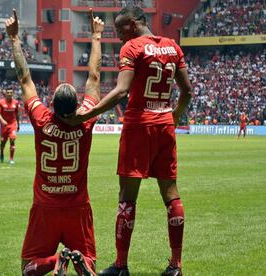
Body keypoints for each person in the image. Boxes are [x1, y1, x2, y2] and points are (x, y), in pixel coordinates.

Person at [65, 5, 192, 276]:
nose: (119, 35)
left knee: (127, 197)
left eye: (120, 29)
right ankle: (176, 265)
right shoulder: (173, 47)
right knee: (171, 194)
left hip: (139, 125)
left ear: (134, 24)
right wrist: (175, 116)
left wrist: (88, 113)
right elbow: (187, 91)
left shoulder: (132, 48)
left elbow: (122, 91)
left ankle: (121, 266)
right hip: (164, 124)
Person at [5, 9, 104, 276]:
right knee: (90, 263)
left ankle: (53, 262)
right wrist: (96, 36)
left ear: (53, 105)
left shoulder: (41, 119)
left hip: (45, 207)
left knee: (28, 267)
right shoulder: (85, 121)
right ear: (77, 105)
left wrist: (15, 39)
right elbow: (94, 78)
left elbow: (25, 79)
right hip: (77, 206)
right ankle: (82, 263)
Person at [0, 88, 20, 164]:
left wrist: (18, 124)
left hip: (12, 125)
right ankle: (1, 153)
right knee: (3, 142)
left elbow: (17, 114)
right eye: (8, 92)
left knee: (12, 140)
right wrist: (2, 120)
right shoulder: (1, 102)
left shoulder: (16, 102)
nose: (9, 94)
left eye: (11, 92)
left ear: (13, 94)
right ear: (6, 94)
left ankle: (11, 159)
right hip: (4, 126)